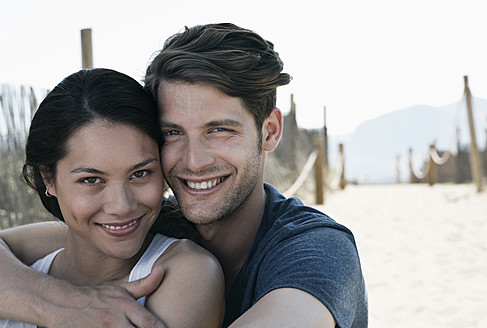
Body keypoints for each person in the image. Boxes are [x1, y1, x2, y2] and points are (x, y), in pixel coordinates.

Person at [0, 23, 367, 327]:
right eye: (173, 133)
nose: (194, 161)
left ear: (269, 131)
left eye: (219, 130)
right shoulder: (144, 223)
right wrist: (61, 302)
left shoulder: (316, 249)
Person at [0, 68, 224, 328]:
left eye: (140, 174)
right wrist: (57, 304)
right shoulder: (25, 264)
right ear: (48, 179)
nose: (122, 206)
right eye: (91, 180)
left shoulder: (187, 274)